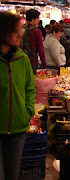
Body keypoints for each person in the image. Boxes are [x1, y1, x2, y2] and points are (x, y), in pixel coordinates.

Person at [0, 12, 36, 180]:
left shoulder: (22, 58)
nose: (20, 35)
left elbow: (30, 87)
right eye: (15, 31)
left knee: (12, 174)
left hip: (18, 128)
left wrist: (28, 111)